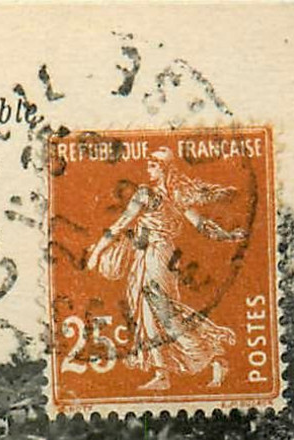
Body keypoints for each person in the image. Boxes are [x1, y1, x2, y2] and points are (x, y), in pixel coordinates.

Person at [85, 147, 248, 391]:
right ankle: (175, 368)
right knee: (156, 314)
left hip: (155, 256)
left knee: (159, 314)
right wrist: (228, 235)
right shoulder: (176, 196)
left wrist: (97, 252)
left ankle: (208, 355)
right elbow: (202, 225)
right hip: (157, 256)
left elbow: (120, 224)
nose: (147, 167)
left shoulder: (146, 194)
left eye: (153, 164)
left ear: (164, 168)